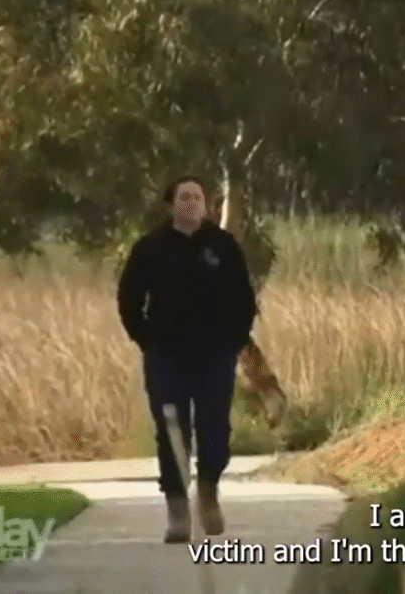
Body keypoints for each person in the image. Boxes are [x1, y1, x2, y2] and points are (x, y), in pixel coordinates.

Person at [116, 174, 257, 543]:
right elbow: (129, 300)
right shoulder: (151, 248)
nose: (192, 202)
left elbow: (244, 298)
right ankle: (178, 510)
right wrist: (147, 339)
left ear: (206, 204)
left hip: (214, 355)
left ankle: (208, 495)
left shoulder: (223, 247)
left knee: (214, 429)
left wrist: (234, 341)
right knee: (172, 430)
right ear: (171, 204)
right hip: (167, 356)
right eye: (185, 197)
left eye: (198, 197)